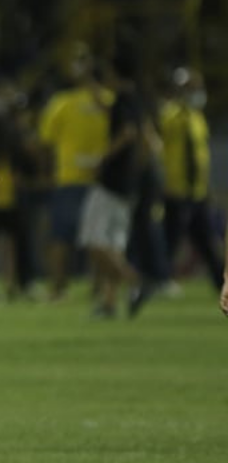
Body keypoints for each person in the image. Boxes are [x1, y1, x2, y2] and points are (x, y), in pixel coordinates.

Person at [77, 50, 155, 318]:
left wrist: (103, 158)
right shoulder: (135, 99)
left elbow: (128, 133)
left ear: (115, 72)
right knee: (113, 245)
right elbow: (144, 136)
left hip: (112, 182)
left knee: (94, 241)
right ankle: (110, 304)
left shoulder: (124, 100)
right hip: (129, 183)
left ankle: (137, 282)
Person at [37, 42, 115, 301]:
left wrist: (47, 173)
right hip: (82, 180)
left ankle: (64, 289)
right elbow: (46, 144)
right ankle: (74, 288)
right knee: (89, 238)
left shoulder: (63, 103)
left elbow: (45, 144)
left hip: (83, 180)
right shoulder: (106, 101)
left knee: (71, 238)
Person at [159, 67, 224, 293]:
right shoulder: (169, 115)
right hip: (176, 189)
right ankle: (156, 280)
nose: (196, 92)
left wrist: (207, 187)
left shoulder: (198, 119)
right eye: (190, 88)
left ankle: (222, 285)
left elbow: (200, 156)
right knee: (171, 240)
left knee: (206, 242)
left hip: (197, 191)